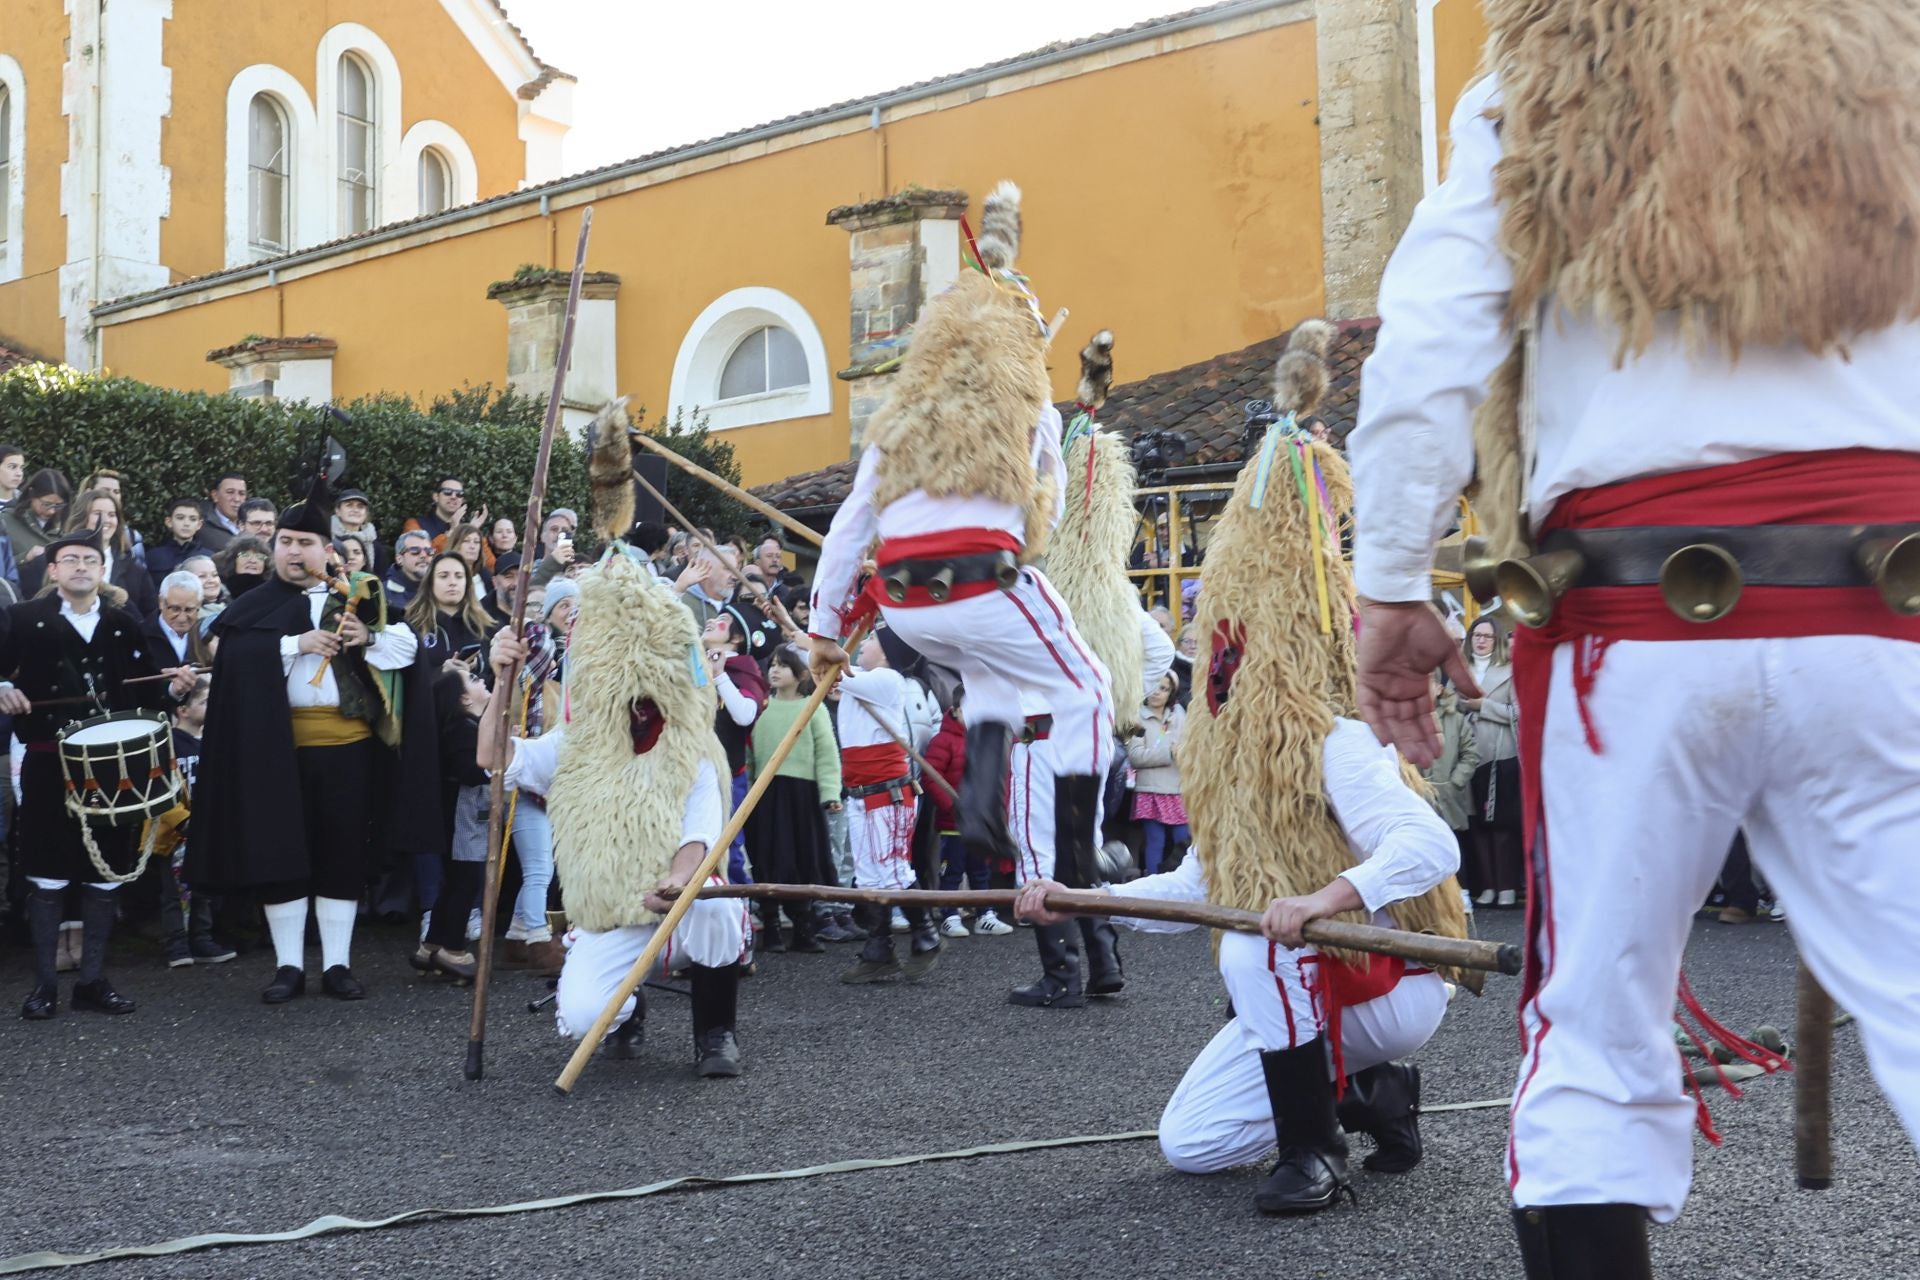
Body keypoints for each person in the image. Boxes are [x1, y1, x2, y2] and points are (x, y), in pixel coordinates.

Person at [1346, 13, 1920, 1269]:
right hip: (1891, 605)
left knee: (1592, 1044)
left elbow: (1436, 335)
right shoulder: (1896, 43)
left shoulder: (1549, 60)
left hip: (1631, 624)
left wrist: (1389, 578)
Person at [1024, 320, 1468, 1215]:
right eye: (1215, 651)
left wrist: (1324, 900)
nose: (1218, 670)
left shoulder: (1335, 739)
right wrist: (1082, 897)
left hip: (1394, 983)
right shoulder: (1224, 765)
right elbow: (1199, 886)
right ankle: (1368, 1096)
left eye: (1236, 651)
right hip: (1309, 983)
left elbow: (1430, 846)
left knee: (1253, 948)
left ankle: (1316, 1156)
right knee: (1189, 1145)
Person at [806, 183, 1112, 972]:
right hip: (982, 583)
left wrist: (825, 633)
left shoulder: (895, 423)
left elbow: (846, 534)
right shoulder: (1030, 405)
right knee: (1089, 688)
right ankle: (1080, 848)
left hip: (906, 605)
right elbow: (1051, 501)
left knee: (989, 674)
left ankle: (979, 802)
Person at [479, 550, 748, 1078]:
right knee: (582, 1016)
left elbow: (699, 839)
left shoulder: (691, 746)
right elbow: (492, 759)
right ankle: (625, 1012)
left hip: (677, 909)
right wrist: (499, 683)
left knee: (717, 907)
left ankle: (716, 1032)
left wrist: (674, 884)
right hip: (609, 913)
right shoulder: (573, 743)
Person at [185, 474, 418, 1003]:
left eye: (305, 543)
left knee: (341, 854)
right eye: (285, 542)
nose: (294, 551)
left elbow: (408, 648)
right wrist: (294, 644)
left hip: (349, 749)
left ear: (326, 550)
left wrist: (369, 636)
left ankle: (337, 965)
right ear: (273, 548)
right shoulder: (256, 603)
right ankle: (288, 967)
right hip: (278, 749)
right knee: (280, 853)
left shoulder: (361, 595)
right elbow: (227, 654)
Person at [3, 530, 197, 1019]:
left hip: (114, 767)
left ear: (103, 569)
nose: (82, 567)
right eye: (71, 560)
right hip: (47, 759)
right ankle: (45, 985)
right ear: (53, 570)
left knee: (104, 872)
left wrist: (176, 691)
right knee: (46, 873)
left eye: (91, 560)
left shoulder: (122, 622)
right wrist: (3, 685)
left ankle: (92, 980)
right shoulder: (22, 619)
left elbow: (149, 697)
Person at [834, 632, 939, 982]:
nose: (863, 642)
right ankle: (880, 949)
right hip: (860, 791)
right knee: (867, 875)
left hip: (886, 794)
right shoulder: (861, 681)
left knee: (893, 873)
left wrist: (811, 643)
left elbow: (833, 667)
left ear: (888, 653)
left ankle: (926, 933)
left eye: (872, 639)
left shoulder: (888, 680)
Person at [744, 645, 839, 953]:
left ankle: (804, 926)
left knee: (802, 857)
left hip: (802, 794)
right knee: (767, 856)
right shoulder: (760, 708)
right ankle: (770, 926)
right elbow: (749, 755)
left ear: (799, 674)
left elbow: (826, 753)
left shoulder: (813, 707)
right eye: (771, 664)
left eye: (782, 665)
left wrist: (830, 793)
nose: (774, 670)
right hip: (765, 794)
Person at [411, 662, 491, 981]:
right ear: (463, 700)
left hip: (466, 816)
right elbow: (468, 771)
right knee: (466, 881)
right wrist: (495, 765)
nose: (481, 679)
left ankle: (431, 945)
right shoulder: (462, 729)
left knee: (455, 881)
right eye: (472, 679)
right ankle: (453, 948)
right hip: (464, 816)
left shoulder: (468, 726)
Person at [154, 676, 234, 967]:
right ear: (182, 710)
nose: (211, 707)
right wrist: (181, 821)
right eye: (203, 702)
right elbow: (158, 789)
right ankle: (176, 944)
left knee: (203, 888)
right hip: (174, 832)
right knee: (174, 893)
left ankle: (201, 939)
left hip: (204, 830)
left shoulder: (210, 742)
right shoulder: (166, 744)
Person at [702, 606, 768, 886]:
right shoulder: (694, 660)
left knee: (727, 848)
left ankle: (740, 912)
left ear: (737, 639)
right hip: (691, 770)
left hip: (727, 775)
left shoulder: (741, 668)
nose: (711, 621)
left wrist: (719, 676)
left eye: (723, 620)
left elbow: (745, 715)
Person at [1458, 616, 1520, 907]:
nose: (1481, 641)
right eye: (1476, 635)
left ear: (1496, 641)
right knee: (1477, 825)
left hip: (1500, 754)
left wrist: (1484, 707)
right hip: (1466, 756)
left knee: (1501, 824)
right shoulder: (1458, 671)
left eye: (1487, 636)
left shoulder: (1510, 671)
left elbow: (1520, 712)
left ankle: (1506, 886)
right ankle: (1487, 887)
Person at [1419, 673, 1478, 914]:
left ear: (1440, 689)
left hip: (1449, 792)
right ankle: (1428, 900)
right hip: (1419, 791)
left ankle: (1462, 893)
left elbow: (1470, 753)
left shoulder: (1455, 719)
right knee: (1423, 844)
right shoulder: (1408, 720)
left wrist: (1456, 781)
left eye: (1429, 682)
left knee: (1454, 842)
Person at [1128, 672, 1188, 877]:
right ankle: (1152, 884)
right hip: (1150, 790)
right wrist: (1169, 753)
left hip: (1178, 789)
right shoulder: (1136, 718)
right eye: (1154, 686)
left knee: (1184, 838)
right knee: (1155, 840)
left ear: (1171, 693)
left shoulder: (1180, 716)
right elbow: (1135, 756)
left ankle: (1183, 881)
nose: (1157, 692)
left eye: (1164, 689)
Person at [65, 488, 156, 620]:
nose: (105, 520)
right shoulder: (57, 560)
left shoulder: (135, 570)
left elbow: (149, 617)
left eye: (112, 514)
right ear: (82, 517)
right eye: (97, 513)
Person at [404, 551, 494, 673]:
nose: (452, 582)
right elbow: (404, 678)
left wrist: (476, 669)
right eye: (443, 576)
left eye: (459, 576)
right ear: (430, 583)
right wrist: (441, 673)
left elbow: (497, 679)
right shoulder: (411, 624)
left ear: (467, 583)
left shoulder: (486, 625)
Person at [5, 468, 72, 595]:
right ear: (31, 494)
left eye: (58, 506)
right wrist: (26, 557)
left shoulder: (66, 526)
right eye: (46, 504)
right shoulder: (6, 521)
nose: (52, 511)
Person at [146, 571, 213, 668]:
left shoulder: (209, 637)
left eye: (189, 610)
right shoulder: (140, 636)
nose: (182, 618)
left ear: (199, 604)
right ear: (161, 602)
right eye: (175, 609)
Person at [403, 477, 486, 552]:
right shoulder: (415, 524)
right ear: (436, 497)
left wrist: (471, 531)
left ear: (462, 500)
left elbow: (490, 564)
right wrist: (452, 532)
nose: (454, 497)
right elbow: (421, 555)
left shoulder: (465, 528)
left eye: (459, 494)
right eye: (447, 492)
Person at [147, 497, 210, 579]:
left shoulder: (209, 557)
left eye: (193, 519)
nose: (186, 523)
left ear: (199, 525)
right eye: (180, 518)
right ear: (169, 522)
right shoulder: (153, 556)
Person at [331, 488, 386, 574]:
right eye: (349, 505)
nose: (355, 510)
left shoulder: (377, 548)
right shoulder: (326, 540)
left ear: (366, 514)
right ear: (338, 511)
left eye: (360, 507)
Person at [383, 529, 433, 612]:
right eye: (415, 550)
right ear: (399, 559)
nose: (424, 555)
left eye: (429, 551)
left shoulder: (440, 589)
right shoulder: (382, 593)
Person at [198, 473, 248, 551]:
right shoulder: (200, 527)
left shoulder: (254, 524)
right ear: (215, 496)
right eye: (230, 492)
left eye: (241, 494)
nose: (237, 499)